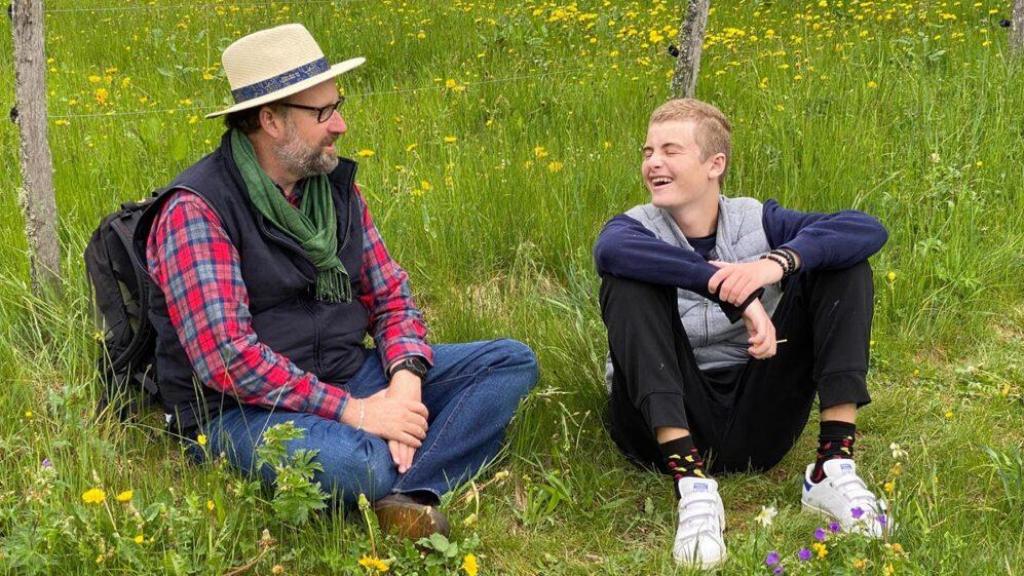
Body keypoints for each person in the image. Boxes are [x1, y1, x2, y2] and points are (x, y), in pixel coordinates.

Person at [141, 23, 538, 538]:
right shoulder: (197, 209)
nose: (341, 125)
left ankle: (408, 492)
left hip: (348, 372)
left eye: (337, 105)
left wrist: (404, 386)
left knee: (510, 362)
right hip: (239, 411)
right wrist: (355, 412)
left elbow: (391, 296)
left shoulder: (335, 191)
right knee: (358, 465)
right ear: (271, 121)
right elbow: (227, 360)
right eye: (323, 112)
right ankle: (419, 465)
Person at [593, 98, 890, 568]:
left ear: (716, 164)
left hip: (757, 415)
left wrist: (773, 264)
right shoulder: (634, 228)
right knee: (627, 280)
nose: (653, 163)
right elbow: (610, 251)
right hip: (659, 420)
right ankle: (691, 486)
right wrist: (728, 289)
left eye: (671, 150)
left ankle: (832, 465)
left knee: (843, 262)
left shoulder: (756, 220)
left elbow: (864, 228)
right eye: (648, 151)